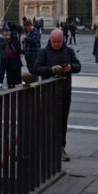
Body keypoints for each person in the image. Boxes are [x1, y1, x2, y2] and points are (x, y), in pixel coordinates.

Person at [35, 28, 81, 161]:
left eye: (59, 42)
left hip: (64, 92)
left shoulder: (69, 51)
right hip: (48, 93)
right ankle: (47, 147)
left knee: (62, 121)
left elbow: (78, 66)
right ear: (50, 40)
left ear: (63, 40)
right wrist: (51, 69)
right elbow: (36, 68)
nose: (56, 44)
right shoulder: (43, 52)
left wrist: (71, 67)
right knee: (47, 122)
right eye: (54, 41)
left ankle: (61, 148)